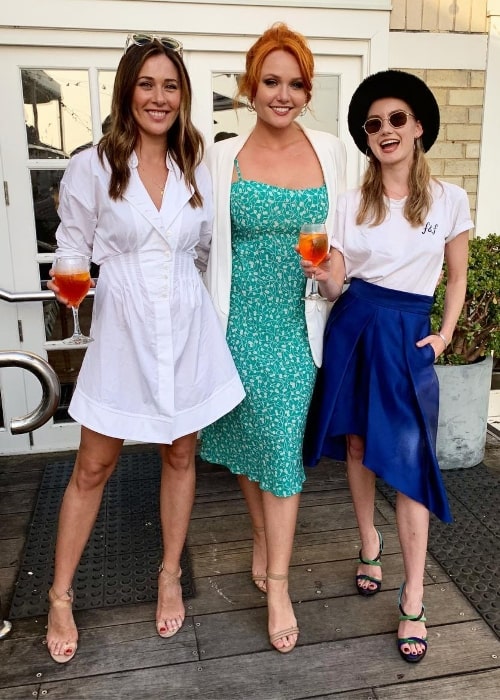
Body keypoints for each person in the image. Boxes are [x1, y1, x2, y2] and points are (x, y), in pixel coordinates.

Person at [45, 33, 245, 664]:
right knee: (93, 466)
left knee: (181, 454)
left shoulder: (196, 165)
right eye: (147, 84)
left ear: (182, 97)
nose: (159, 97)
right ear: (127, 90)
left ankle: (168, 573)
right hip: (125, 331)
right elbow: (71, 249)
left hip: (185, 326)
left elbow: (207, 249)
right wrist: (70, 287)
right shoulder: (92, 166)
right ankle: (58, 594)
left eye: (171, 86)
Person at [301, 70, 472, 663]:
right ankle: (369, 541)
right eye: (374, 124)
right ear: (367, 138)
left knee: (409, 461)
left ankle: (416, 596)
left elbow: (457, 276)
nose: (386, 131)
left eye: (397, 119)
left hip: (408, 334)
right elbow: (338, 280)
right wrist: (324, 279)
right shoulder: (349, 203)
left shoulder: (450, 199)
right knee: (354, 447)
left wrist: (446, 335)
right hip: (356, 323)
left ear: (419, 126)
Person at [200, 23, 346, 653]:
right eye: (271, 81)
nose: (282, 94)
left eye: (295, 83)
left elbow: (353, 235)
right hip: (234, 325)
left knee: (284, 450)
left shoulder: (334, 151)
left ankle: (280, 584)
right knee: (252, 439)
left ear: (306, 92)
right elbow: (200, 243)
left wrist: (340, 270)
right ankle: (261, 539)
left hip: (298, 324)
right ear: (250, 87)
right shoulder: (220, 156)